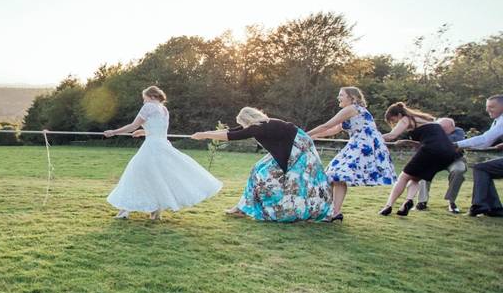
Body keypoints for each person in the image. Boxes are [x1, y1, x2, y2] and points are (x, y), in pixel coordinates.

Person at [102, 86, 221, 220]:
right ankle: (155, 211)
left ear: (152, 96)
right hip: (163, 146)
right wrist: (143, 132)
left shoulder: (148, 107)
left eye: (144, 98)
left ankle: (125, 210)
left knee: (135, 174)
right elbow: (159, 130)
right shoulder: (164, 110)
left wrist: (113, 132)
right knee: (157, 178)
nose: (143, 102)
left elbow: (133, 125)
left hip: (151, 147)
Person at [191, 107, 331, 222]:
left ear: (247, 120)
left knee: (272, 177)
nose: (243, 127)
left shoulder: (259, 127)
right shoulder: (264, 123)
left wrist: (204, 135)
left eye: (243, 123)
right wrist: (205, 133)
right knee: (257, 170)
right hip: (296, 147)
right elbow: (232, 131)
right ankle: (242, 208)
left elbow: (231, 136)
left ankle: (289, 210)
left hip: (299, 150)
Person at [307, 86, 395, 221]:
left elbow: (327, 125)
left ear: (352, 98)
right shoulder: (352, 111)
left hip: (363, 144)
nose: (338, 97)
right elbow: (334, 129)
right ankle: (328, 211)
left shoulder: (351, 109)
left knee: (337, 175)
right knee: (333, 175)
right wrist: (312, 136)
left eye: (341, 95)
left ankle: (333, 213)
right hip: (358, 143)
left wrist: (303, 134)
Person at [378, 103, 459, 216]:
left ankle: (388, 206)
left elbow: (392, 135)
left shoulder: (406, 119)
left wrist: (373, 138)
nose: (396, 123)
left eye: (394, 120)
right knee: (416, 177)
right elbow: (428, 139)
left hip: (431, 149)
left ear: (399, 114)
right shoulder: (425, 120)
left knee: (403, 177)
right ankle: (407, 202)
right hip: (448, 153)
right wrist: (407, 142)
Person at [455, 94, 503, 217]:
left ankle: (480, 206)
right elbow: (486, 142)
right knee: (483, 169)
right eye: (487, 107)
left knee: (481, 168)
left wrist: (456, 144)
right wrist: (467, 146)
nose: (487, 110)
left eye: (492, 107)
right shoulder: (497, 121)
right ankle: (494, 208)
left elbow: (485, 138)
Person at [414, 118, 466, 213]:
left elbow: (453, 140)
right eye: (439, 128)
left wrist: (436, 140)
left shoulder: (459, 132)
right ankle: (422, 202)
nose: (441, 131)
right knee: (423, 171)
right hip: (434, 159)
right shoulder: (432, 131)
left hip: (454, 160)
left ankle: (451, 202)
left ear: (452, 128)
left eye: (444, 129)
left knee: (459, 170)